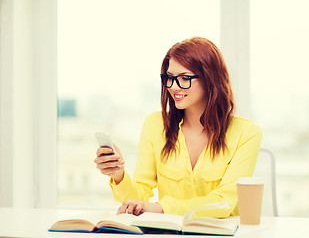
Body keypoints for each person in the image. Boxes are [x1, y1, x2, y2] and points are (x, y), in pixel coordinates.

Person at [94, 37, 262, 218]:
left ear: (210, 79)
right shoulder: (155, 125)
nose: (173, 86)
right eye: (170, 78)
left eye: (184, 78)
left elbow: (224, 202)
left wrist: (162, 208)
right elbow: (139, 198)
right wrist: (119, 175)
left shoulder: (246, 133)